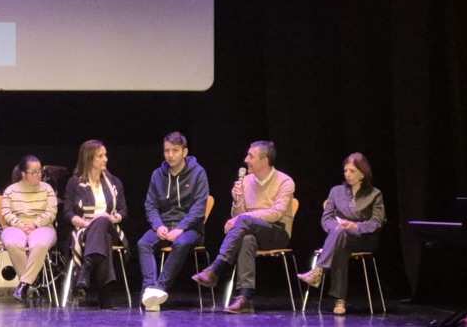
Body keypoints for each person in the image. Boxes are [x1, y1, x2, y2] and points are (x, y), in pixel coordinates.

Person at [192, 140, 295, 314]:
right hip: (250, 230)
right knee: (247, 239)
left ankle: (216, 268)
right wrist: (237, 200)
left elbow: (276, 213)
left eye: (251, 156)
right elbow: (238, 216)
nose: (246, 160)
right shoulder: (246, 180)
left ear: (264, 160)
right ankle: (245, 298)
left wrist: (243, 217)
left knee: (245, 222)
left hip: (277, 232)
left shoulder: (285, 181)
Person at [297, 152, 386, 315]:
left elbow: (377, 222)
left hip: (363, 238)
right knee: (341, 241)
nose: (348, 174)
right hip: (339, 239)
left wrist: (355, 226)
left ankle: (319, 271)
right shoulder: (336, 191)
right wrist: (339, 228)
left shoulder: (375, 194)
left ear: (362, 173)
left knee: (341, 236)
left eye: (352, 171)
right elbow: (326, 219)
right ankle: (339, 301)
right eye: (345, 170)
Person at [137, 132, 210, 311]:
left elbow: (199, 207)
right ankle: (149, 290)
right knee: (143, 243)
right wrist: (158, 225)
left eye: (175, 150)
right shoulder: (157, 174)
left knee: (181, 243)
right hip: (164, 225)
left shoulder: (198, 173)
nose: (170, 155)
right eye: (167, 150)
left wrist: (181, 228)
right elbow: (150, 205)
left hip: (190, 229)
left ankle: (159, 289)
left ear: (184, 152)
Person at [64, 140, 128, 309]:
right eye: (100, 156)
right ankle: (105, 295)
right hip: (85, 230)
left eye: (105, 155)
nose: (105, 159)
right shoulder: (75, 183)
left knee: (102, 221)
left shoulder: (114, 182)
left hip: (111, 227)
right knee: (103, 238)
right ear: (88, 158)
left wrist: (111, 218)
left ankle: (87, 266)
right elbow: (68, 213)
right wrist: (86, 223)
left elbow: (123, 211)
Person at [0, 155, 58, 302]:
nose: (38, 175)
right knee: (12, 243)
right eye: (34, 172)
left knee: (40, 244)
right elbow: (6, 212)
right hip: (16, 226)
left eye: (40, 171)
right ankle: (31, 280)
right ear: (23, 174)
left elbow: (51, 212)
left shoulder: (47, 189)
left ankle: (24, 284)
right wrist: (20, 225)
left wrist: (35, 224)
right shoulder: (10, 190)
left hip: (42, 226)